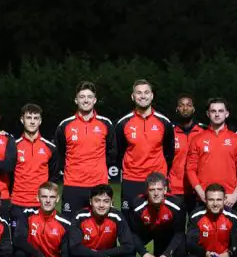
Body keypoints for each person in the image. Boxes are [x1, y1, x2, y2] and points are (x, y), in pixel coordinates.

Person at [55, 81, 116, 215]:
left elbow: (112, 152)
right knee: (70, 229)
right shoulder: (65, 125)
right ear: (76, 100)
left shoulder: (105, 123)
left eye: (89, 97)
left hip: (99, 186)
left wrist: (97, 167)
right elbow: (59, 154)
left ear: (95, 100)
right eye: (82, 97)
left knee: (101, 230)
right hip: (73, 185)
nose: (86, 100)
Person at [114, 79, 175, 213]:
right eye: (139, 93)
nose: (143, 96)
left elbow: (169, 153)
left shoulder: (164, 122)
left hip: (157, 180)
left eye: (146, 92)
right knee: (130, 222)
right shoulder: (123, 123)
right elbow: (119, 153)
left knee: (158, 223)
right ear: (132, 96)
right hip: (131, 179)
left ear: (152, 96)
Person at [129, 172, 187, 257]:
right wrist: (144, 254)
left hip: (167, 232)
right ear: (146, 191)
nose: (156, 193)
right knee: (128, 247)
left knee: (182, 245)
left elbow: (179, 233)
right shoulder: (137, 205)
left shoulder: (177, 205)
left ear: (165, 190)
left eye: (159, 189)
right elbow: (132, 234)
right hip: (147, 231)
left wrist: (166, 255)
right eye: (152, 190)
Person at [13, 181, 74, 257]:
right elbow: (18, 239)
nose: (47, 201)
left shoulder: (65, 223)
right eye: (44, 196)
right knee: (19, 255)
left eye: (51, 197)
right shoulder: (27, 215)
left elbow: (66, 256)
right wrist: (38, 256)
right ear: (37, 198)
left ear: (57, 199)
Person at [185, 98, 237, 208]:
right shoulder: (197, 139)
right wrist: (201, 193)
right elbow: (190, 169)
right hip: (205, 198)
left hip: (229, 199)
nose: (217, 114)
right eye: (213, 111)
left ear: (227, 114)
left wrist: (235, 194)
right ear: (208, 114)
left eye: (220, 111)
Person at [11, 103, 59, 220]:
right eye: (29, 118)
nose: (32, 122)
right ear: (22, 120)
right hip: (18, 204)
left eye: (36, 118)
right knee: (18, 238)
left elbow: (53, 177)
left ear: (40, 121)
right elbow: (9, 176)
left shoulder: (50, 148)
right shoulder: (13, 146)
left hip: (41, 205)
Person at [169, 94, 205, 213]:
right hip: (175, 189)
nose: (185, 108)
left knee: (195, 228)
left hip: (198, 190)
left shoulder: (204, 132)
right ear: (177, 109)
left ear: (193, 109)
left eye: (188, 105)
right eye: (182, 105)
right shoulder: (169, 132)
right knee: (175, 229)